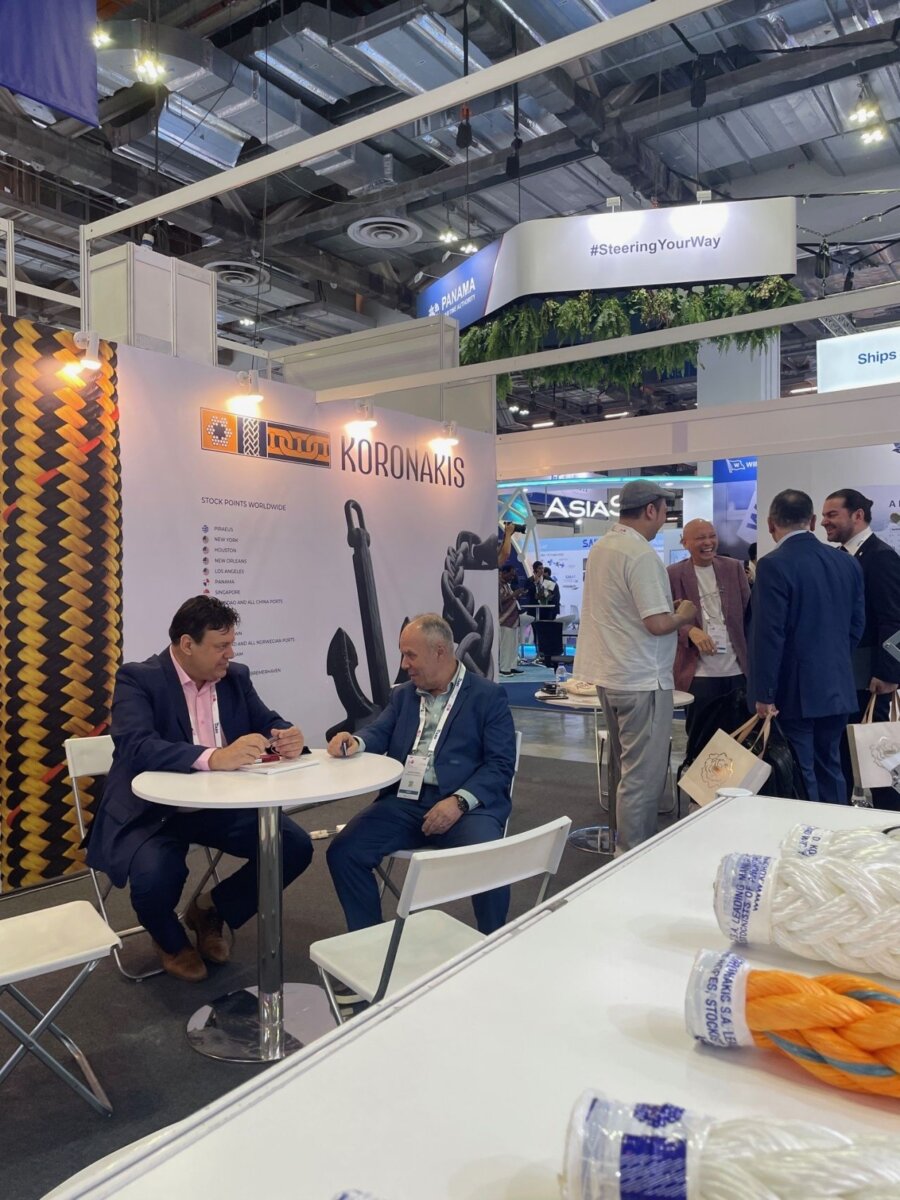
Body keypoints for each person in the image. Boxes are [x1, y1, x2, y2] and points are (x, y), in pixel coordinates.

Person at [86, 596, 314, 982]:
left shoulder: (235, 677)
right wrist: (213, 757)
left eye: (232, 644)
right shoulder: (139, 679)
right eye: (221, 646)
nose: (230, 654)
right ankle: (170, 941)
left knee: (293, 847)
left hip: (218, 805)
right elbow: (136, 746)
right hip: (155, 810)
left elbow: (267, 720)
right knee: (156, 874)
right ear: (187, 644)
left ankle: (210, 910)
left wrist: (286, 735)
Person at [326, 613, 517, 934]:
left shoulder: (487, 696)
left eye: (410, 655)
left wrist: (458, 802)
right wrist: (356, 741)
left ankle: (492, 942)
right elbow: (380, 731)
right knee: (344, 852)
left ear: (440, 651)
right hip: (406, 801)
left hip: (467, 806)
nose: (404, 665)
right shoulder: (403, 695)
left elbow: (500, 764)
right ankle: (368, 943)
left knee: (489, 860)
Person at [574, 481, 696, 852]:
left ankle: (620, 846)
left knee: (623, 769)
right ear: (650, 510)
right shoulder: (640, 554)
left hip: (612, 674)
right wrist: (683, 614)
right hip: (641, 677)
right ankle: (632, 855)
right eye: (664, 510)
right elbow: (656, 623)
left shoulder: (602, 547)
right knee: (642, 776)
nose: (664, 518)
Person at [748, 490, 865, 805]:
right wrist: (833, 660)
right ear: (812, 521)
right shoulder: (846, 562)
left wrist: (764, 694)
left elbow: (768, 635)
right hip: (838, 685)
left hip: (794, 690)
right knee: (831, 766)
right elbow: (857, 625)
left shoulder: (773, 565)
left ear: (770, 524)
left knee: (802, 771)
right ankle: (836, 828)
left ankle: (808, 832)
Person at [821, 487, 900, 810]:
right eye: (823, 515)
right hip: (844, 674)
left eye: (832, 515)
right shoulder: (839, 557)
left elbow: (894, 619)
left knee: (877, 755)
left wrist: (889, 672)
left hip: (870, 676)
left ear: (857, 515)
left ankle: (889, 818)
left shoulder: (881, 557)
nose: (824, 522)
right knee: (845, 750)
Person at [667, 519, 750, 749]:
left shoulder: (733, 568)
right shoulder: (673, 574)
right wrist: (689, 630)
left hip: (736, 670)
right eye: (700, 538)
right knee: (701, 741)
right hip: (698, 674)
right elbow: (665, 618)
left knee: (738, 744)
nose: (708, 542)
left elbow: (748, 613)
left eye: (712, 536)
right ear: (685, 543)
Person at [525, 561, 561, 666]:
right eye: (539, 568)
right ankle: (538, 653)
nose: (541, 570)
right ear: (535, 569)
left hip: (546, 611)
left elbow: (554, 594)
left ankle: (546, 656)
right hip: (533, 611)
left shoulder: (548, 580)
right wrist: (535, 583)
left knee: (546, 633)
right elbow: (527, 592)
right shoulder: (529, 580)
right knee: (536, 632)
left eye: (542, 568)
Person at [498, 564, 524, 676]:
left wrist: (516, 596)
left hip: (513, 618)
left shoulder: (506, 585)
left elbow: (510, 598)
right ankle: (504, 668)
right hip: (505, 619)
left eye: (513, 575)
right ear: (504, 572)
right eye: (511, 575)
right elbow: (499, 601)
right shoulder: (498, 584)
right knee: (506, 645)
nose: (512, 577)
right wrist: (513, 595)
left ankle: (512, 666)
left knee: (513, 645)